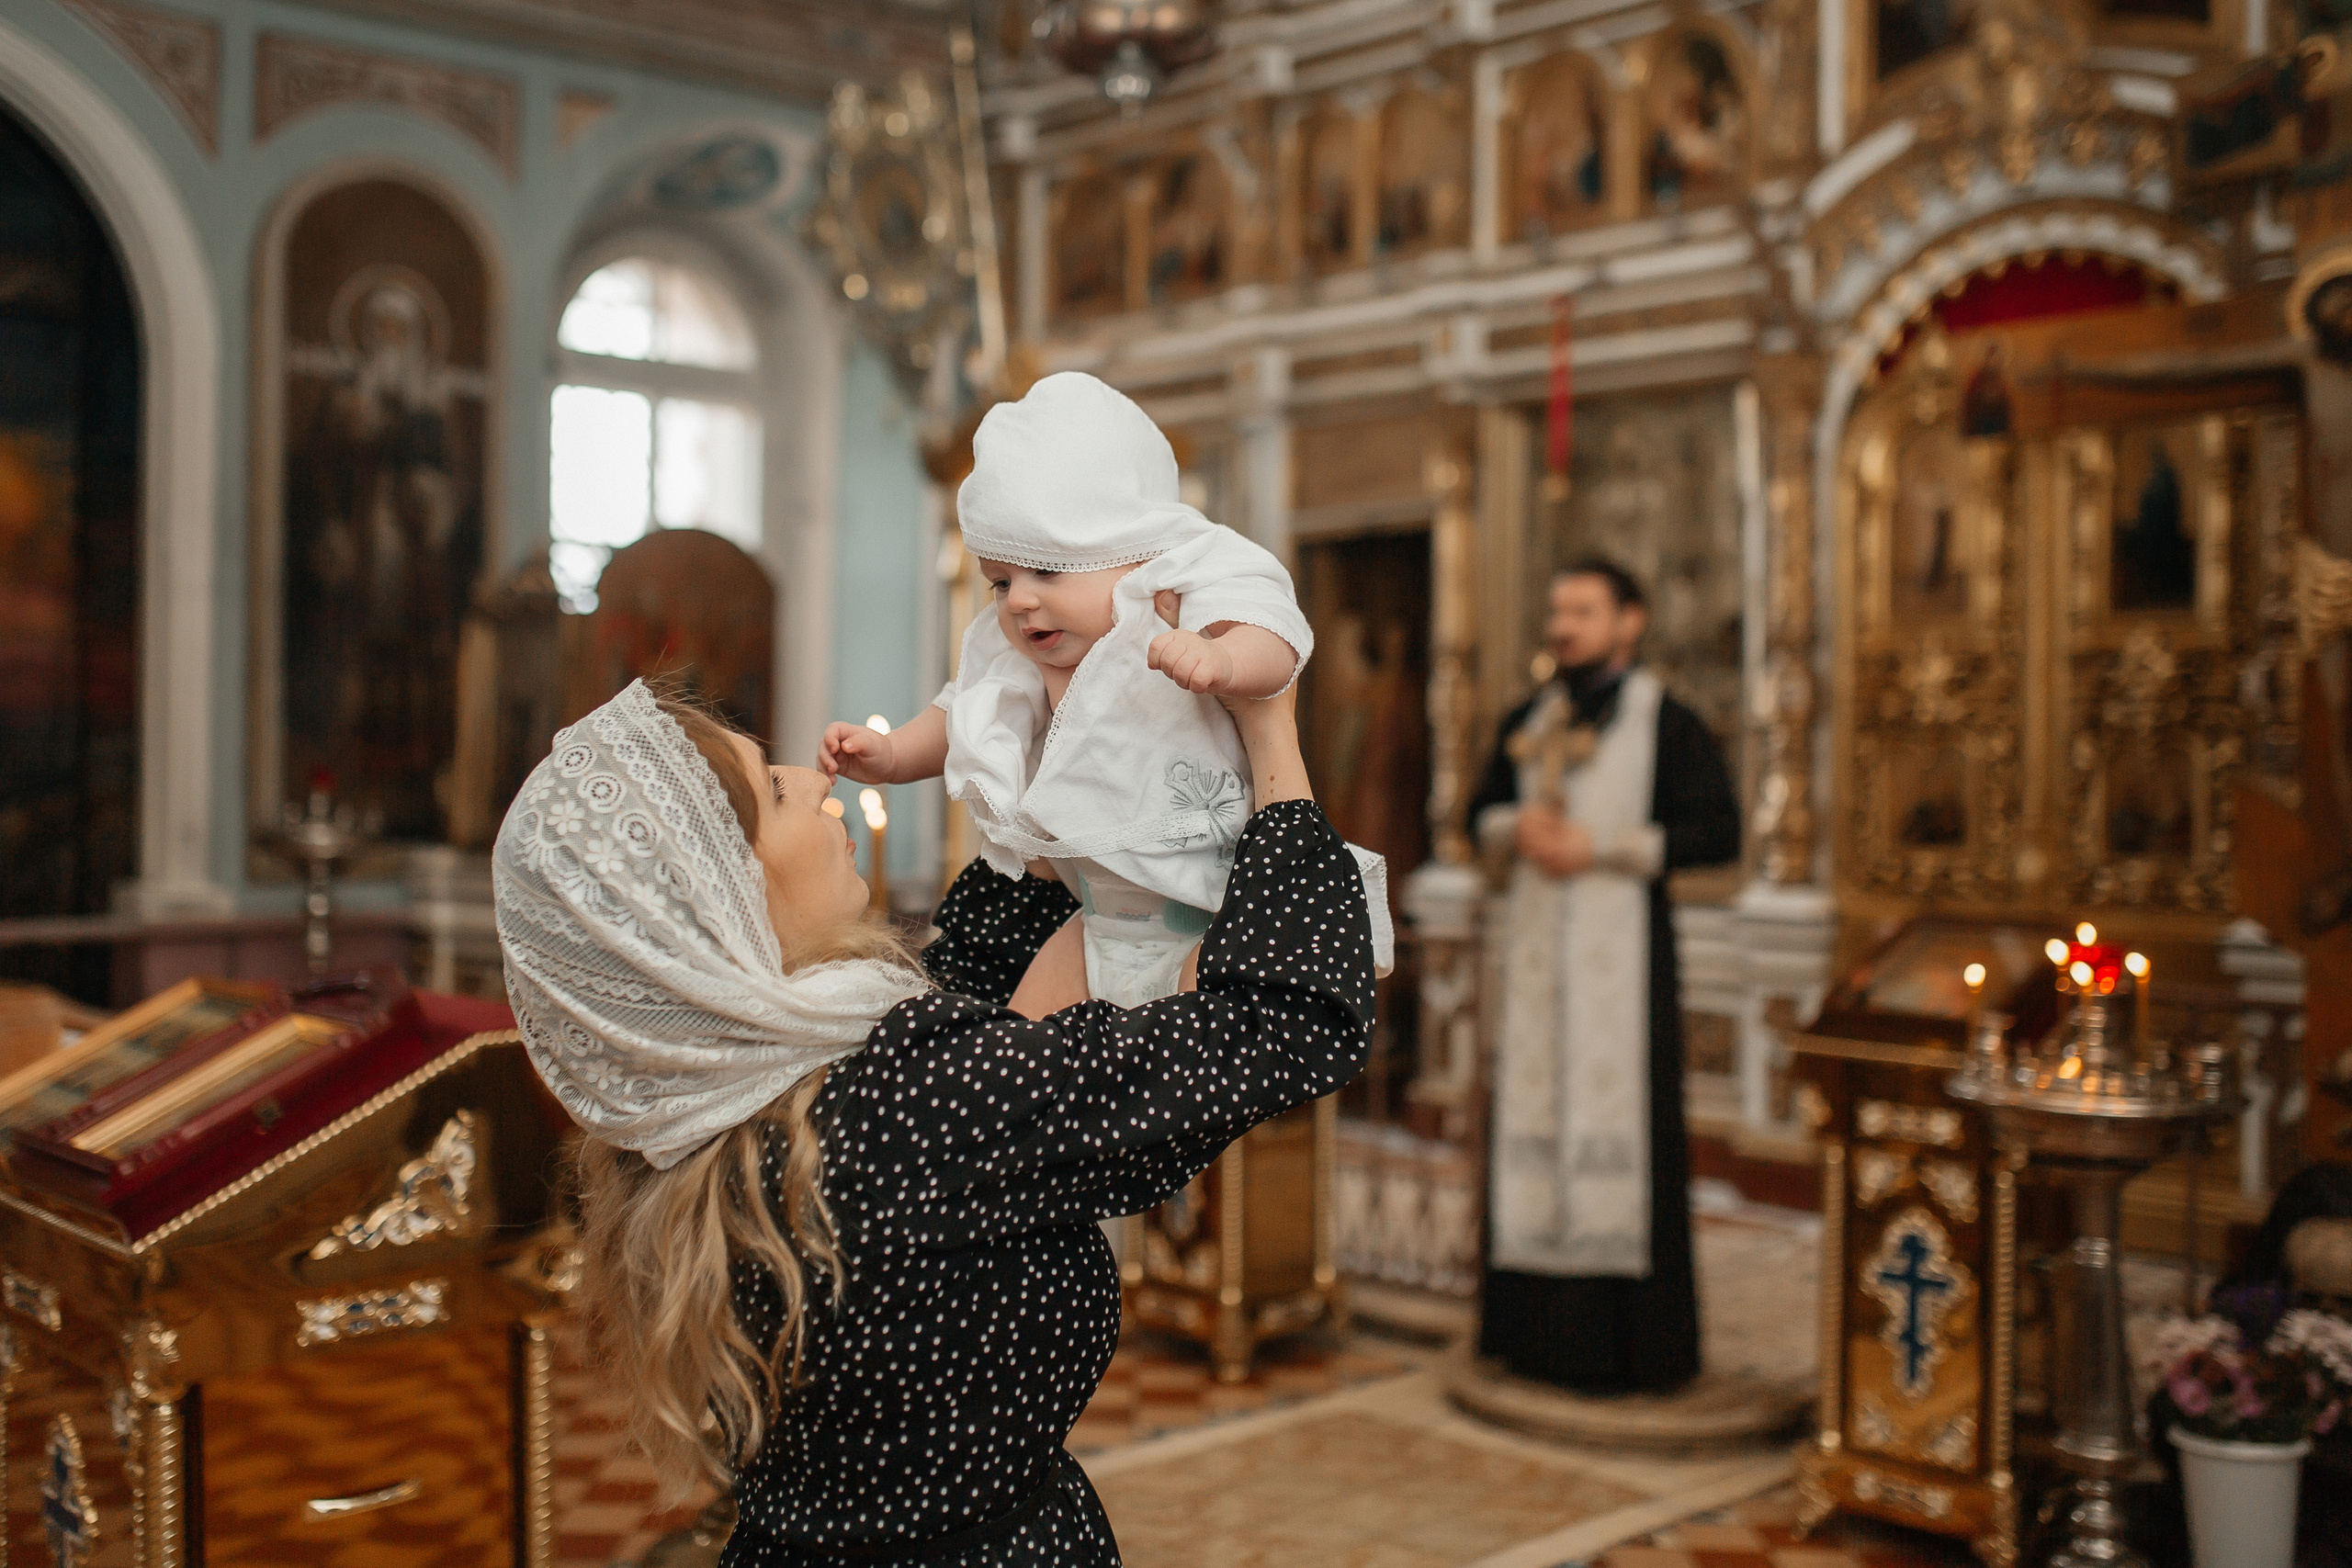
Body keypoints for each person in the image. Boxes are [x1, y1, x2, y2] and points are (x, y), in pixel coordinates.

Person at [492, 677, 1373, 1564]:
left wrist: (1038, 800)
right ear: (717, 896)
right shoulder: (896, 1105)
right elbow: (1289, 1022)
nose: (817, 779)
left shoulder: (720, 1110)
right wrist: (1271, 735)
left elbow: (972, 991)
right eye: (777, 790)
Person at [820, 370, 1387, 1012]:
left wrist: (1222, 657)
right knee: (1017, 1050)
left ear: (1133, 548)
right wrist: (894, 753)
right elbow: (968, 710)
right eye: (1000, 581)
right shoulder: (1030, 647)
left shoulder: (1181, 579)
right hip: (1094, 921)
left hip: (1206, 910)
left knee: (1197, 1050)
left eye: (1048, 569)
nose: (1021, 600)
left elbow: (1277, 638)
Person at [1464, 558, 1741, 1394]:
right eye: (1556, 610)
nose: (1563, 626)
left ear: (1631, 619)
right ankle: (1529, 1335)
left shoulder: (1671, 722)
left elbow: (1716, 833)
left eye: (1583, 609)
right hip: (1538, 966)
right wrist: (1520, 827)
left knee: (1629, 1136)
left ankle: (1632, 1349)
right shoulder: (1530, 716)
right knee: (1532, 1125)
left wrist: (1600, 848)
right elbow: (1477, 815)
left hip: (1626, 965)